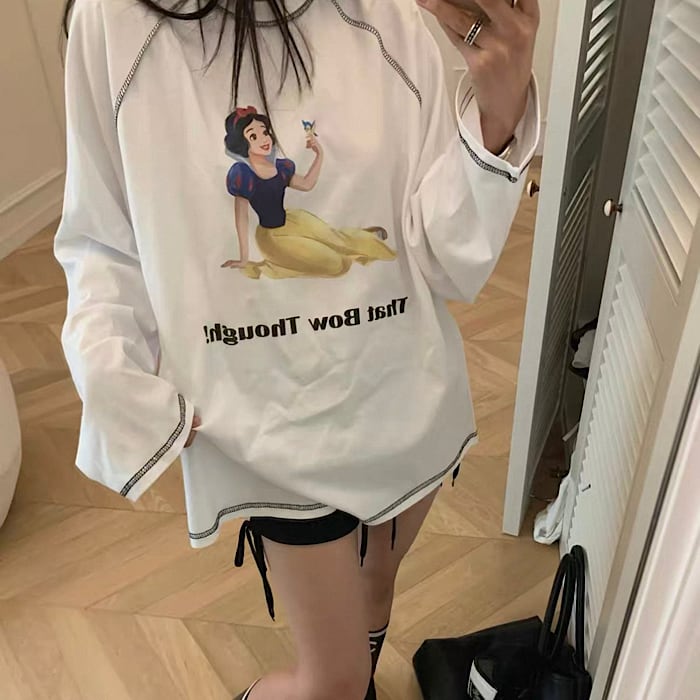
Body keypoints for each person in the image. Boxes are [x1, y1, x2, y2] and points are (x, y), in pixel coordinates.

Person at [56, 0, 540, 698]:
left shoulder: (390, 15)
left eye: (263, 130)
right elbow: (103, 239)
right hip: (270, 426)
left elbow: (443, 260)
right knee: (333, 680)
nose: (261, 134)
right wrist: (115, 378)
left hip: (401, 392)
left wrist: (498, 117)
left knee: (375, 594)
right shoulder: (116, 25)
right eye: (253, 130)